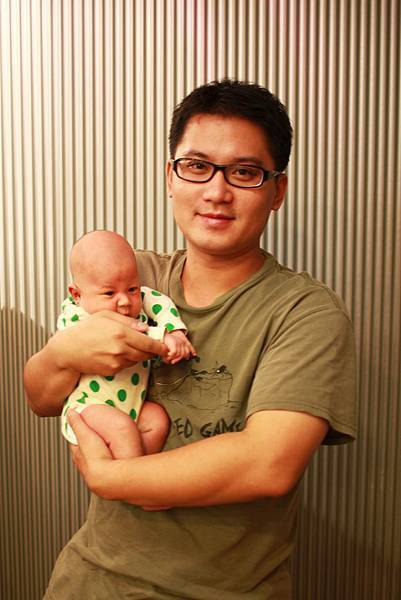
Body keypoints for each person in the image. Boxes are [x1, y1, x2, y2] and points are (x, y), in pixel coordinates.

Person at [24, 79, 356, 599]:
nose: (216, 192)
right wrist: (64, 352)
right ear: (170, 177)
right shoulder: (129, 277)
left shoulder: (304, 311)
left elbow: (268, 465)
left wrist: (112, 479)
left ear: (277, 191)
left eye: (244, 172)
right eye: (197, 166)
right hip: (87, 581)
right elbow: (42, 399)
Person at [59, 230, 196, 459]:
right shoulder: (77, 316)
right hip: (90, 407)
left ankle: (134, 467)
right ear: (77, 294)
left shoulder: (135, 298)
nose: (124, 301)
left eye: (132, 289)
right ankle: (128, 475)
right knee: (122, 430)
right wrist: (162, 337)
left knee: (157, 420)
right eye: (109, 293)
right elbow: (120, 334)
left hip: (131, 406)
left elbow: (159, 302)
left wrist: (175, 331)